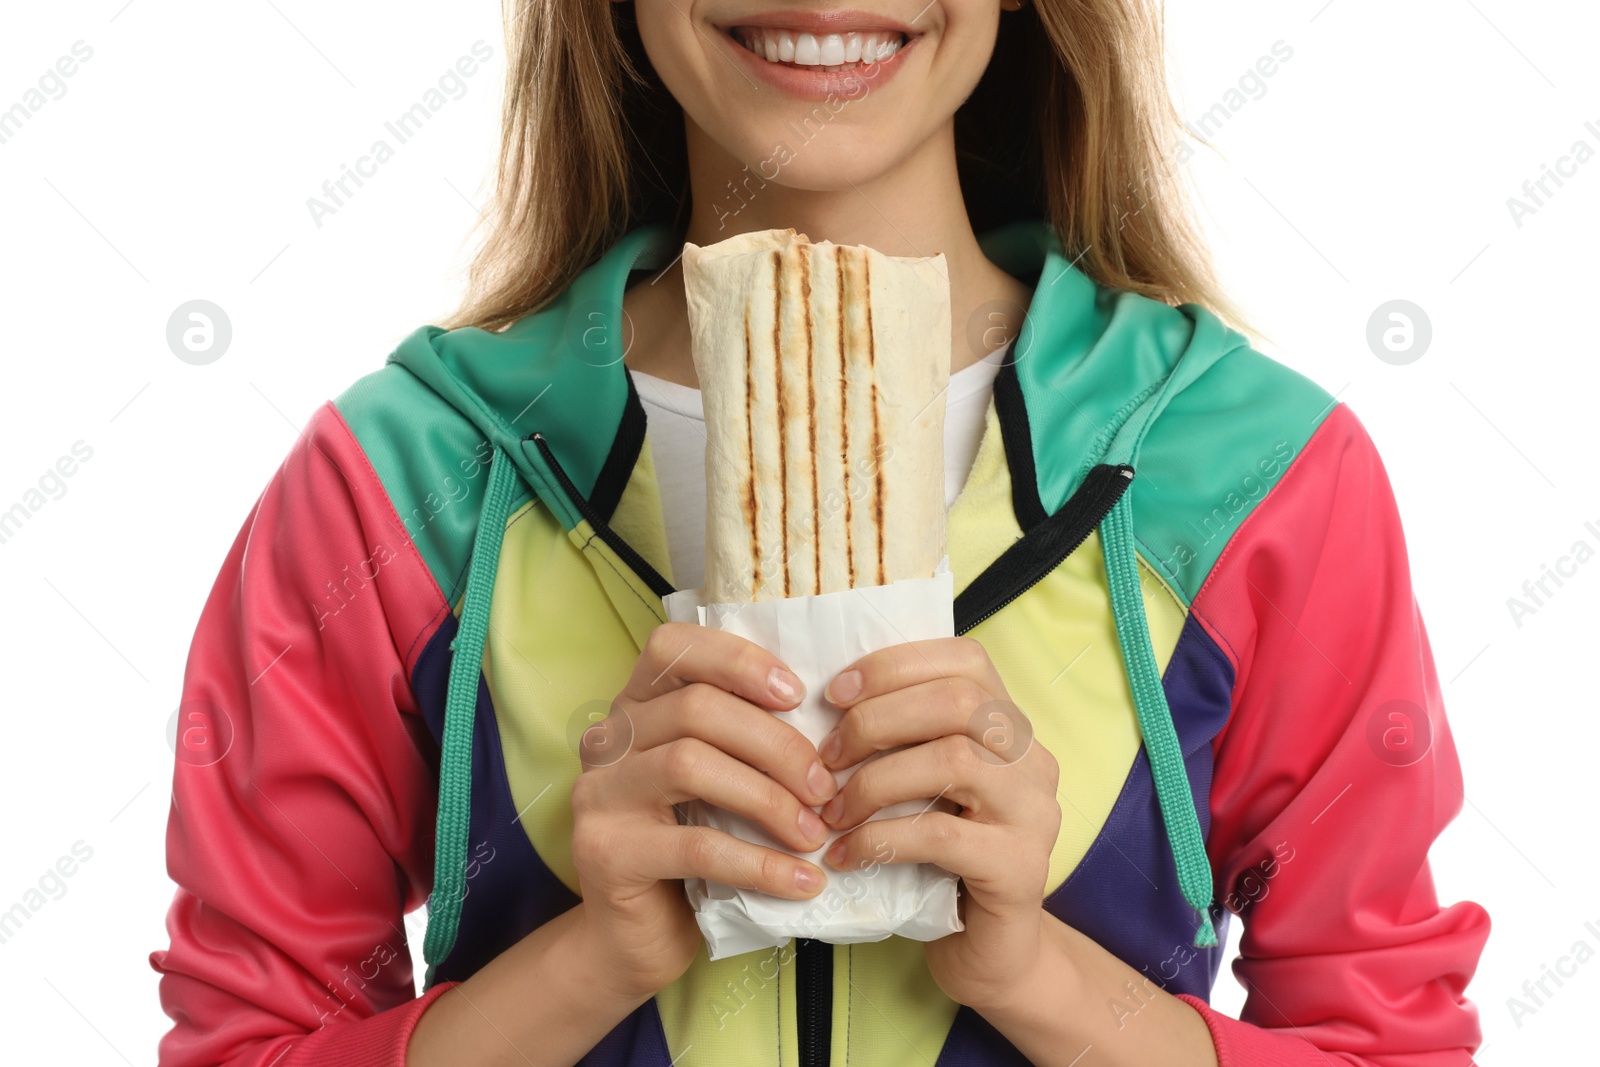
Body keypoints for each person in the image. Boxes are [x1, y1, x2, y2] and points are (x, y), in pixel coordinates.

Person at [149, 2, 1491, 1065]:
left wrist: (1038, 978)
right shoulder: (398, 488)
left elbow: (1387, 1047)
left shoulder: (1255, 480)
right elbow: (247, 1047)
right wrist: (589, 960)